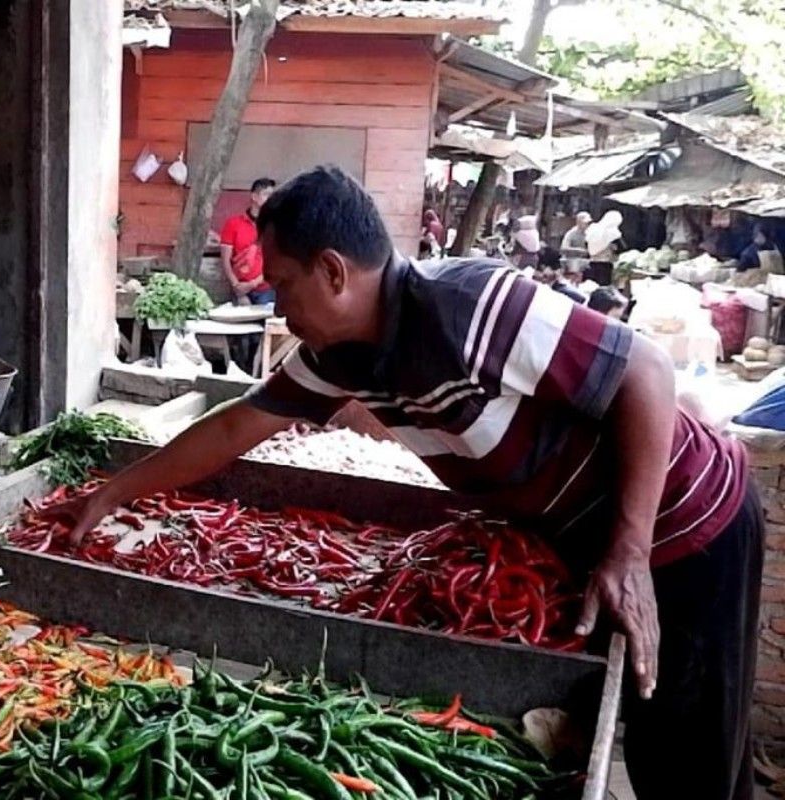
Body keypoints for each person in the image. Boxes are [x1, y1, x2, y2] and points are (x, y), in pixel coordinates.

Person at [50, 167, 761, 800]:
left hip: (685, 523)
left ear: (333, 272)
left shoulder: (467, 305)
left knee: (689, 744)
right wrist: (115, 491)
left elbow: (645, 371)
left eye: (282, 282)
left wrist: (630, 551)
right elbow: (235, 428)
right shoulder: (342, 356)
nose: (276, 301)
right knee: (644, 725)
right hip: (596, 540)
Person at [220, 178, 276, 305]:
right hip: (239, 288)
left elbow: (275, 261)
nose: (270, 199)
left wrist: (252, 284)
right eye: (266, 194)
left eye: (272, 195)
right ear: (254, 197)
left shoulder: (273, 227)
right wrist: (236, 286)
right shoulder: (233, 224)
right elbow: (225, 260)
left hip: (266, 289)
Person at [585, 210, 624, 286]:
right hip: (605, 265)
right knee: (603, 288)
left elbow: (586, 244)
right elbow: (622, 248)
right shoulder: (613, 233)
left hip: (592, 263)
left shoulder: (593, 229)